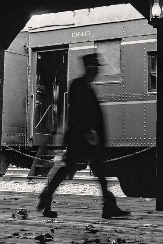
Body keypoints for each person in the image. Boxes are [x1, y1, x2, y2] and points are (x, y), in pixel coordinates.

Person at [37, 53, 130, 219]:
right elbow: (77, 113)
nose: (96, 72)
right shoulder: (78, 86)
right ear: (88, 68)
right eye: (94, 68)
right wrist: (88, 131)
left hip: (86, 139)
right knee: (75, 169)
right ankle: (108, 207)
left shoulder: (85, 86)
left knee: (78, 169)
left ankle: (47, 197)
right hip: (80, 139)